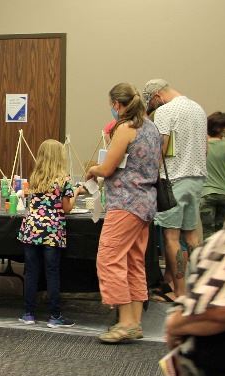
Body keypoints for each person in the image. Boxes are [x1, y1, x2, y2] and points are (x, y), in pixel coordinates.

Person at [87, 82, 161, 343]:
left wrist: (92, 169)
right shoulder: (151, 128)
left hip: (125, 203)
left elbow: (107, 168)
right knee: (133, 261)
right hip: (146, 203)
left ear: (117, 105)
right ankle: (135, 323)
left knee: (109, 258)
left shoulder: (126, 129)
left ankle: (125, 323)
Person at [142, 79, 208, 299]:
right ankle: (194, 287)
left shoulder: (165, 111)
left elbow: (161, 147)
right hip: (196, 178)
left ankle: (180, 294)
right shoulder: (198, 108)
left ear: (157, 96)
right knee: (191, 236)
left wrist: (149, 173)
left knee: (171, 237)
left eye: (152, 103)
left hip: (174, 181)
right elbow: (205, 147)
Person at [165, 216, 225, 376]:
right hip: (210, 321)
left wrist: (176, 324)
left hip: (219, 330)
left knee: (172, 237)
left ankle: (178, 291)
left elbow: (224, 310)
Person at [17, 139, 80, 328]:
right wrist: (76, 192)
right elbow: (66, 208)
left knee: (31, 272)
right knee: (52, 272)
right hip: (52, 231)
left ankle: (28, 313)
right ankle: (54, 316)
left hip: (31, 229)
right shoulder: (64, 180)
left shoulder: (35, 177)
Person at [200, 112, 225, 240]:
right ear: (223, 128)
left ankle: (207, 252)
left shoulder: (202, 146)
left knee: (208, 232)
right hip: (224, 195)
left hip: (207, 194)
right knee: (219, 231)